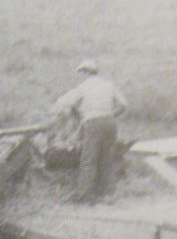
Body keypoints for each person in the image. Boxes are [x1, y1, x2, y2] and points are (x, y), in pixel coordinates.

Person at [50, 59, 129, 202]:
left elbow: (61, 103)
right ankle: (107, 194)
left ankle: (85, 195)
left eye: (81, 73)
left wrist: (72, 114)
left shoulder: (83, 87)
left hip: (93, 123)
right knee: (107, 159)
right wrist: (113, 115)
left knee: (89, 159)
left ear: (86, 72)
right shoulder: (108, 85)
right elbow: (124, 104)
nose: (80, 76)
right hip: (110, 123)